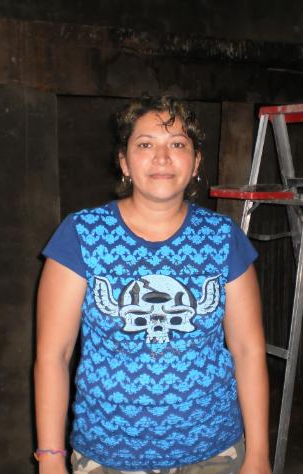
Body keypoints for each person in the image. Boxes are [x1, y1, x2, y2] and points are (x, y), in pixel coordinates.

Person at [34, 96, 271, 474]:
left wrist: (258, 454)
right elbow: (53, 356)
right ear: (124, 162)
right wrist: (50, 459)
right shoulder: (81, 235)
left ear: (195, 162)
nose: (162, 157)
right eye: (145, 144)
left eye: (177, 144)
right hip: (108, 457)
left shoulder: (223, 238)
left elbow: (248, 351)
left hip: (215, 454)